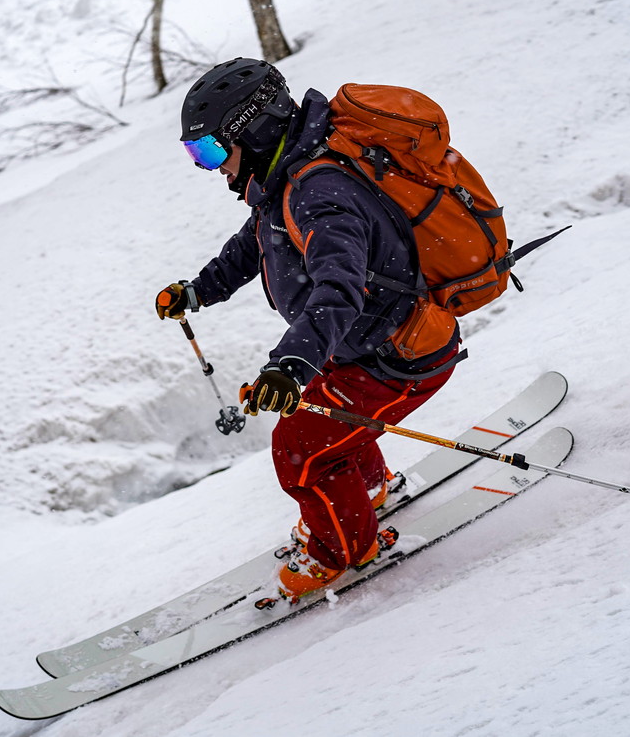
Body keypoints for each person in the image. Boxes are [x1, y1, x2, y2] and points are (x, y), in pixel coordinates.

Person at [156, 58, 464, 604]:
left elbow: (337, 288)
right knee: (324, 430)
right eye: (194, 157)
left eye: (207, 152)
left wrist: (290, 365)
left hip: (396, 353)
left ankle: (342, 551)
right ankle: (366, 490)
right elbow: (252, 244)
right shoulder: (285, 179)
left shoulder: (318, 191)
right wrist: (199, 290)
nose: (210, 169)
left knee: (302, 448)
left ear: (250, 130)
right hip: (364, 343)